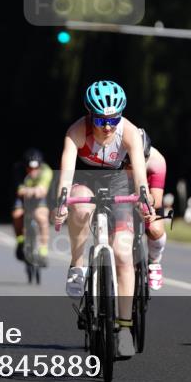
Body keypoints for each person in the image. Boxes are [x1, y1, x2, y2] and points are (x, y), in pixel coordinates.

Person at [55, 80, 152, 358]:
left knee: (122, 251)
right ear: (90, 115)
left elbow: (141, 177)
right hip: (86, 180)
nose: (107, 126)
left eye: (113, 119)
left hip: (120, 182)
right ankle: (77, 264)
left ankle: (123, 329)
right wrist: (62, 201)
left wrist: (144, 198)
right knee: (81, 208)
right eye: (100, 119)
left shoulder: (129, 132)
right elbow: (66, 173)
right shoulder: (76, 132)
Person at [122, 129, 168, 290]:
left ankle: (154, 261)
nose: (134, 167)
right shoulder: (114, 159)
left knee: (155, 229)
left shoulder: (157, 161)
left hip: (146, 196)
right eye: (129, 163)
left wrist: (146, 201)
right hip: (121, 192)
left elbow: (156, 200)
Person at [12, 149, 53, 265]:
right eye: (29, 168)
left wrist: (30, 191)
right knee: (17, 215)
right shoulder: (18, 169)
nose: (32, 171)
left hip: (38, 198)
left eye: (35, 168)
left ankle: (43, 251)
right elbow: (19, 191)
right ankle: (20, 241)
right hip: (23, 198)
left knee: (41, 218)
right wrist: (32, 191)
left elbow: (42, 190)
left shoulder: (46, 170)